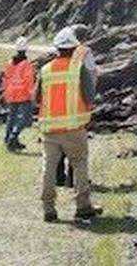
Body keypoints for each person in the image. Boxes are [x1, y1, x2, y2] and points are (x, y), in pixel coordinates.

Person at [34, 26, 98, 225]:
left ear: (57, 49)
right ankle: (83, 207)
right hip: (74, 129)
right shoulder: (79, 68)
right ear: (73, 48)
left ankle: (49, 209)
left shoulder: (45, 70)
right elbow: (89, 95)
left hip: (50, 130)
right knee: (79, 165)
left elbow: (35, 98)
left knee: (49, 168)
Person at [1, 36, 35, 152]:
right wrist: (31, 94)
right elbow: (29, 80)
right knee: (24, 119)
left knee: (11, 117)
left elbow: (5, 78)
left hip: (11, 92)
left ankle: (9, 140)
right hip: (23, 93)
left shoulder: (10, 63)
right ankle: (13, 137)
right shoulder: (26, 64)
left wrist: (5, 92)